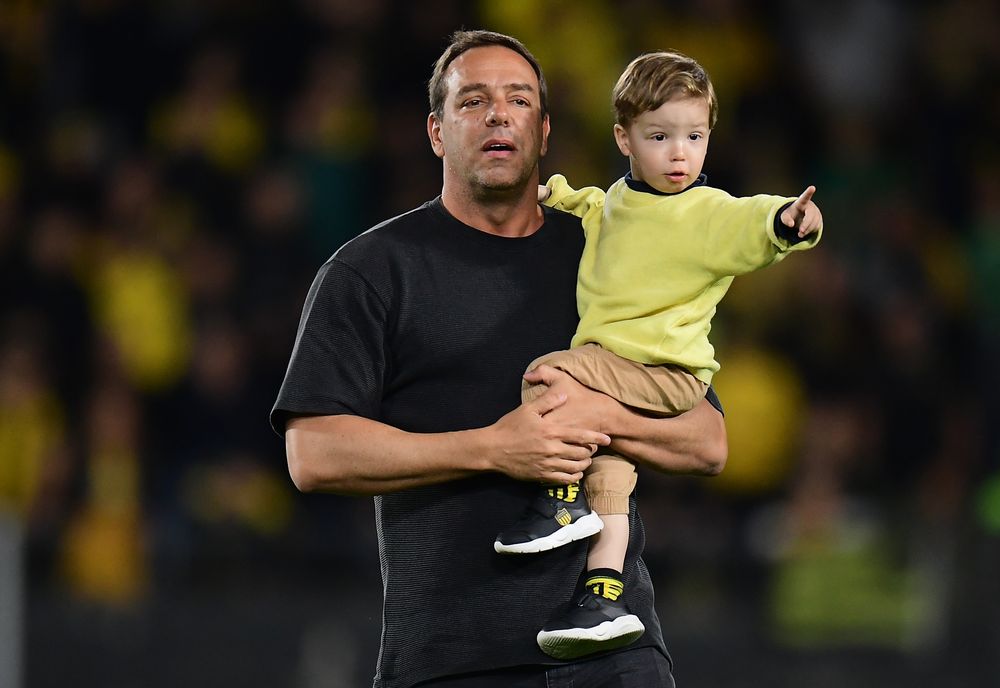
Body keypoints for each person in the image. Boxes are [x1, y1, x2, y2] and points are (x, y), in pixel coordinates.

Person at [271, 30, 727, 688]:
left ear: (543, 131)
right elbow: (313, 453)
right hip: (450, 661)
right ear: (436, 132)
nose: (497, 114)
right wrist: (493, 447)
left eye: (518, 100)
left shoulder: (615, 259)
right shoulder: (370, 271)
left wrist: (601, 415)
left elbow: (707, 441)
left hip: (612, 657)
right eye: (473, 100)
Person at [492, 49, 822, 658]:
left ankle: (557, 506)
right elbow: (593, 207)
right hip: (621, 376)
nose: (679, 153)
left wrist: (791, 220)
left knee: (550, 373)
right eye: (659, 135)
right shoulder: (617, 203)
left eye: (694, 136)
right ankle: (602, 597)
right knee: (609, 480)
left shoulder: (705, 211)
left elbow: (755, 221)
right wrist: (547, 195)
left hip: (663, 374)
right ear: (623, 138)